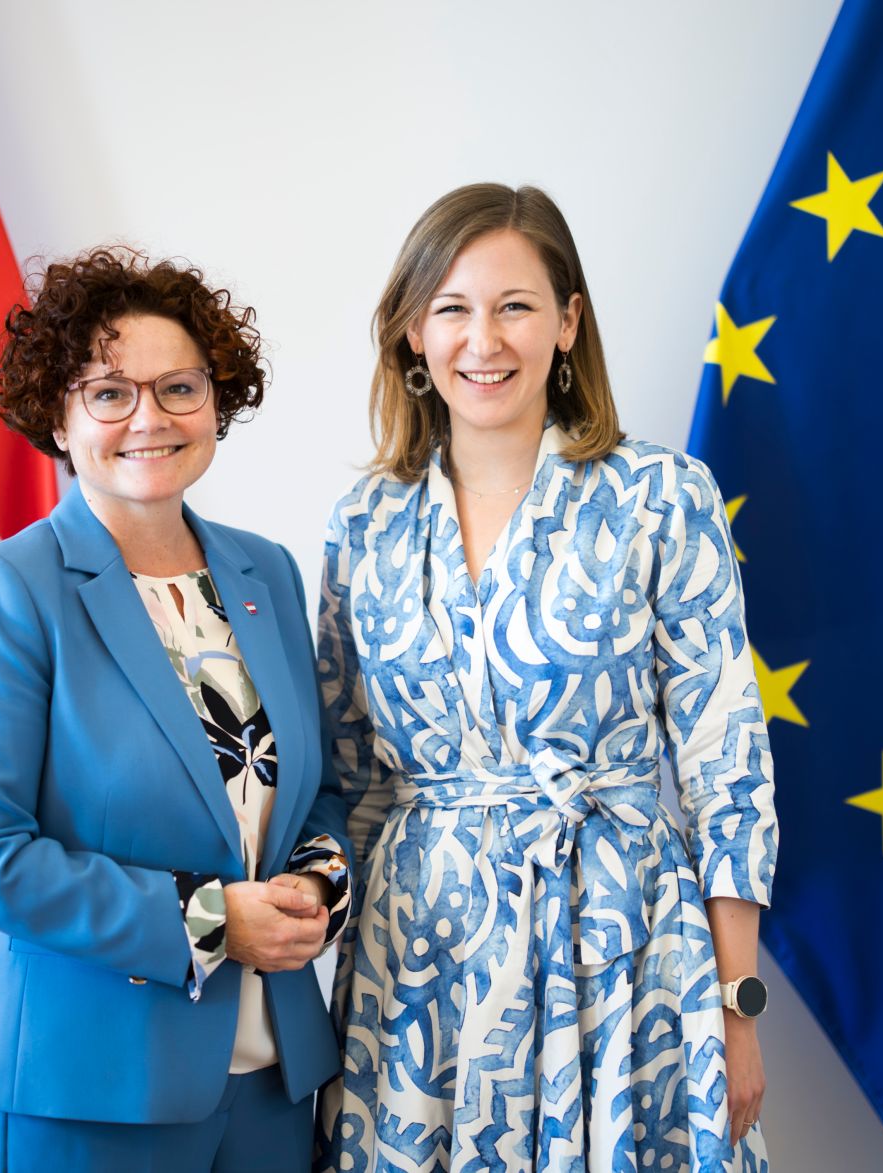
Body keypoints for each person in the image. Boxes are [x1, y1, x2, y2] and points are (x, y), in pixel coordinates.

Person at [313, 185, 778, 1172]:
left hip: (622, 957)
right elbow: (346, 780)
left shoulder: (660, 496)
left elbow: (724, 762)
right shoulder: (362, 523)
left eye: (514, 305)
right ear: (410, 334)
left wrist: (736, 1009)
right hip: (419, 978)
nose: (483, 340)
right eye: (450, 308)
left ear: (567, 324)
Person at [0, 247, 352, 1173]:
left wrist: (316, 888)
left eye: (179, 388)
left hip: (273, 1082)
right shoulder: (12, 590)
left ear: (217, 401)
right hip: (86, 1093)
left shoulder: (265, 571)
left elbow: (314, 789)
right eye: (110, 392)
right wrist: (208, 922)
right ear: (59, 413)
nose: (149, 418)